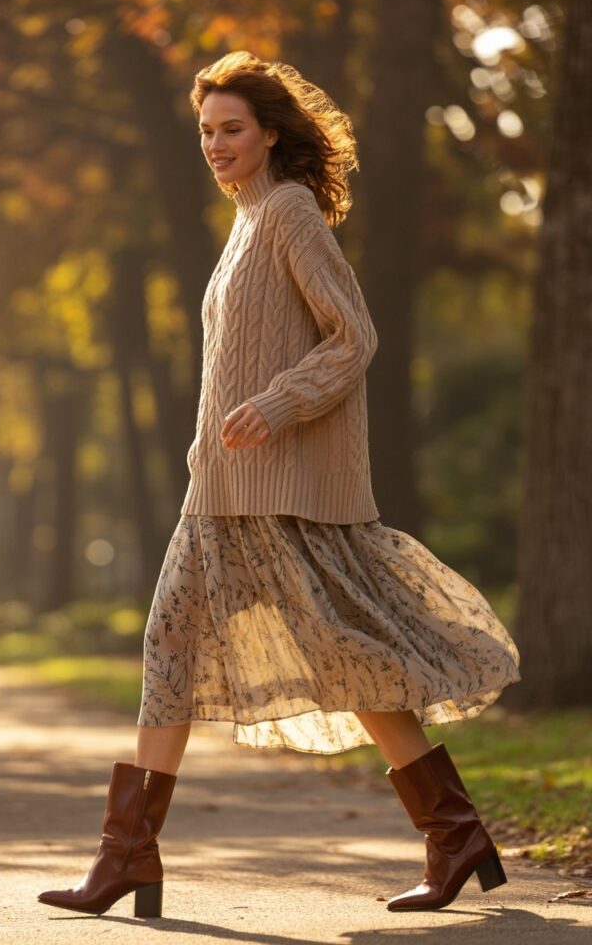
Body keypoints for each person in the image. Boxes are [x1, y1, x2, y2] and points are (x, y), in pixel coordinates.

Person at [38, 50, 521, 918]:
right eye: (206, 133)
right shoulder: (246, 222)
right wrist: (210, 444)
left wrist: (277, 403)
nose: (216, 145)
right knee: (175, 655)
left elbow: (354, 335)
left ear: (269, 135)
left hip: (274, 493)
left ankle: (452, 832)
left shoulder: (291, 212)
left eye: (231, 130)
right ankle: (129, 857)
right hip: (220, 489)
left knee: (343, 659)